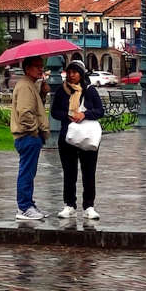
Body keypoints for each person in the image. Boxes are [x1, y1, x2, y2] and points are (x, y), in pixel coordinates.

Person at [51, 60, 104, 219]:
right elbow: (55, 111)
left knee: (89, 172)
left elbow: (100, 111)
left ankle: (89, 205)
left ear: (81, 74)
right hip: (68, 136)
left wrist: (84, 114)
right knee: (69, 172)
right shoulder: (62, 91)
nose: (72, 75)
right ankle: (69, 204)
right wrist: (67, 115)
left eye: (75, 72)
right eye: (70, 72)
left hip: (87, 137)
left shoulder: (90, 91)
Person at [11, 55, 51, 220]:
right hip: (28, 136)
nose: (41, 69)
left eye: (41, 66)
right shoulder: (25, 86)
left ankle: (28, 204)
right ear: (27, 68)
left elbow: (33, 108)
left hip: (30, 136)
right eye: (37, 66)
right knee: (26, 172)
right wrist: (35, 131)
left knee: (29, 172)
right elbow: (26, 113)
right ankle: (24, 207)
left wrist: (41, 93)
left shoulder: (31, 86)